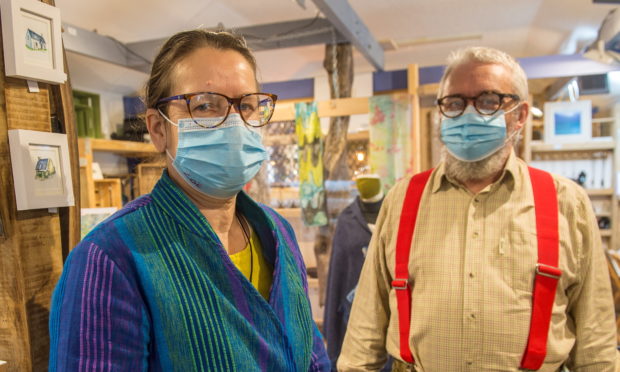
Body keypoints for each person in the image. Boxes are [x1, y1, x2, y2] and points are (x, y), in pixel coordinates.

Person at [49, 30, 330, 372]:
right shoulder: (111, 258)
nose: (233, 123)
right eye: (205, 105)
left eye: (246, 106)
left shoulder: (278, 233)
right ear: (158, 129)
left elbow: (313, 357)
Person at [338, 46, 619, 371]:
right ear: (441, 113)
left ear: (521, 114)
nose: (469, 116)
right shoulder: (403, 199)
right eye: (455, 103)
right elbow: (365, 330)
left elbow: (596, 344)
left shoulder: (566, 202)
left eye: (489, 101)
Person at [323, 174, 391, 371]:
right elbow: (337, 275)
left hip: (392, 311)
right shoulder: (346, 220)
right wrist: (331, 326)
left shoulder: (396, 213)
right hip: (352, 311)